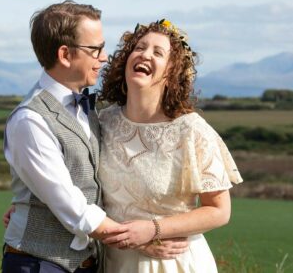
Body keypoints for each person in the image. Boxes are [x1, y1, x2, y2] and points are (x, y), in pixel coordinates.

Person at [1, 1, 188, 273]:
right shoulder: (30, 120)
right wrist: (136, 240)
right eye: (95, 49)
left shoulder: (90, 110)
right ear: (65, 55)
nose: (104, 57)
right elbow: (71, 205)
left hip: (89, 263)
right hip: (39, 263)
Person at [96, 19, 243, 272]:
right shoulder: (103, 122)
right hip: (114, 260)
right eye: (139, 47)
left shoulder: (191, 131)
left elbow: (219, 211)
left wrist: (153, 230)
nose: (144, 55)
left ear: (171, 72)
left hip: (172, 262)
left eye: (157, 52)